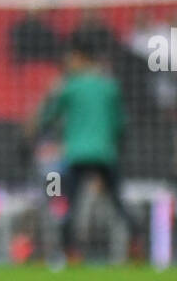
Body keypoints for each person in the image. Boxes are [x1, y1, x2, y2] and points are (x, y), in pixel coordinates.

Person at [34, 39, 133, 262]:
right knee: (117, 202)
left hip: (77, 154)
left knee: (69, 203)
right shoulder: (110, 86)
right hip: (104, 153)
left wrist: (42, 123)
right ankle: (136, 244)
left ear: (80, 59)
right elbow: (121, 124)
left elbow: (49, 116)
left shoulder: (71, 87)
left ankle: (70, 252)